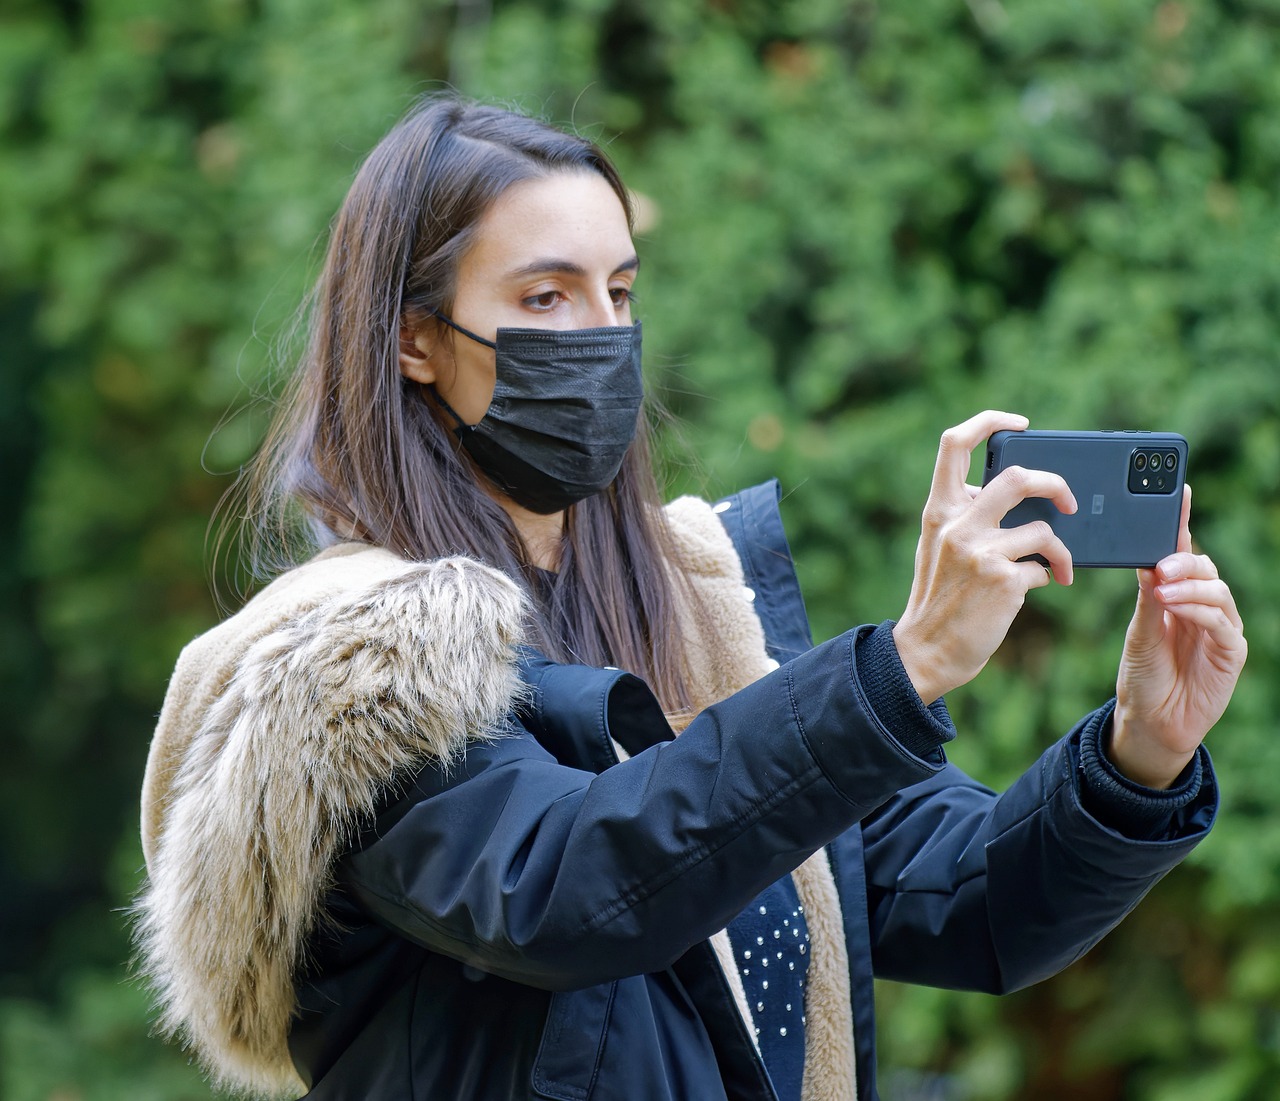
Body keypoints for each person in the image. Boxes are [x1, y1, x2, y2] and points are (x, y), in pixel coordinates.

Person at [133, 95, 1246, 1101]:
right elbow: (565, 886)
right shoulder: (353, 660)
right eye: (543, 295)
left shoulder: (697, 608)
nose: (599, 335)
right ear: (418, 341)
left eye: (617, 291)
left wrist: (1136, 756)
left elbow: (963, 905)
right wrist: (901, 667)